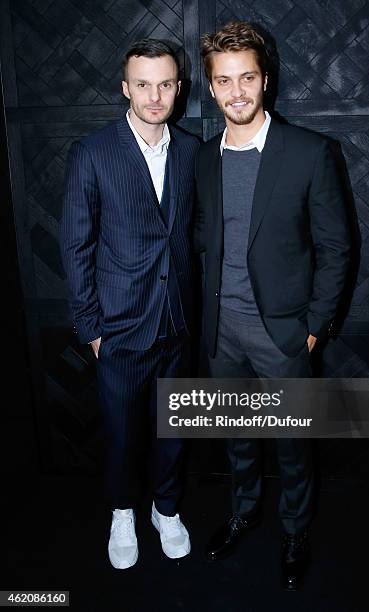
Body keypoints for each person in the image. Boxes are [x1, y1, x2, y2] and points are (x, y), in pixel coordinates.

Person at [195, 21, 350, 590]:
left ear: (266, 80)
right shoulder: (203, 159)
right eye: (224, 80)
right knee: (237, 435)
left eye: (248, 78)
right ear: (210, 88)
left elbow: (337, 247)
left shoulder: (309, 153)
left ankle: (294, 528)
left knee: (290, 443)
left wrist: (314, 327)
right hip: (222, 332)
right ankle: (243, 510)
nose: (237, 92)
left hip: (283, 333)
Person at [60, 39, 199, 569]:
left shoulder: (190, 150)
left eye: (165, 83)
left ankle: (166, 509)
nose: (155, 95)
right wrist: (92, 327)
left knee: (174, 427)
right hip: (118, 327)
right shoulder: (93, 152)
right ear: (126, 89)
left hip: (178, 323)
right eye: (143, 84)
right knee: (121, 432)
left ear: (178, 88)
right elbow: (75, 244)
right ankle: (123, 514)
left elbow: (193, 236)